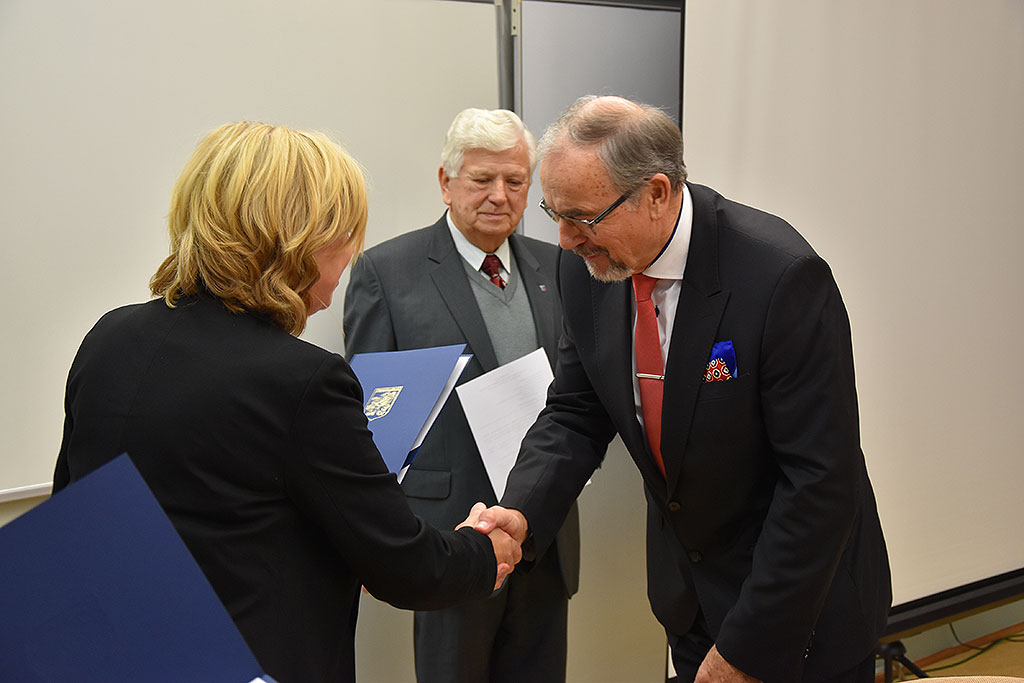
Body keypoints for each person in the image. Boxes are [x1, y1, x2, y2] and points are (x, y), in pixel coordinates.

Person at [52, 121, 520, 683]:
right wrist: (484, 551)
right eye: (345, 235)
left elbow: (73, 513)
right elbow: (408, 570)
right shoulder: (302, 380)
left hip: (116, 657)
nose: (351, 258)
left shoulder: (108, 339)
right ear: (298, 239)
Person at [475, 96, 892, 683]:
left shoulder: (779, 277)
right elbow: (574, 411)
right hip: (690, 599)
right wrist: (521, 511)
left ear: (657, 193)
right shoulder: (589, 269)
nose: (565, 240)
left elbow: (820, 481)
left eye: (583, 217)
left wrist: (748, 647)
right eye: (554, 213)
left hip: (797, 612)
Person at [343, 108, 579, 683]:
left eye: (515, 180)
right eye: (482, 179)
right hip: (447, 538)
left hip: (541, 535)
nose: (500, 195)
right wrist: (372, 535)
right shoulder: (386, 272)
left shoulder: (561, 267)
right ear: (446, 182)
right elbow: (369, 421)